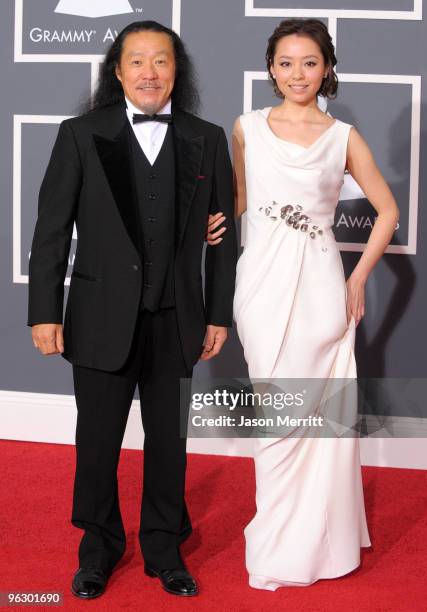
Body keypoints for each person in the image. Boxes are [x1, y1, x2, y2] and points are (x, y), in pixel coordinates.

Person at [28, 20, 237, 599]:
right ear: (117, 71)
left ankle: (164, 548)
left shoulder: (209, 137)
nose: (150, 72)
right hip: (97, 316)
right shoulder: (79, 134)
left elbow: (226, 238)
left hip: (177, 318)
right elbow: (50, 232)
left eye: (162, 61)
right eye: (137, 61)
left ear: (178, 71)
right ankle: (97, 550)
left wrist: (219, 314)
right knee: (97, 442)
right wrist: (44, 312)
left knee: (169, 444)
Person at [206, 18, 399, 590]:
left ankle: (321, 544)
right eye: (286, 63)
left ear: (327, 68)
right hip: (261, 286)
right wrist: (204, 225)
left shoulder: (343, 137)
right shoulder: (246, 128)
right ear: (271, 68)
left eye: (309, 63)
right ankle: (280, 535)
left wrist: (358, 277)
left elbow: (386, 211)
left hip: (321, 289)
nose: (297, 74)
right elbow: (237, 200)